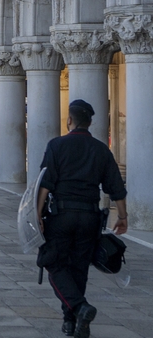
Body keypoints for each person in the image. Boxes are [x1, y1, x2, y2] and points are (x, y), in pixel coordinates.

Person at [37, 99, 127, 338]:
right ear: (90, 123)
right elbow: (116, 187)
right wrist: (123, 215)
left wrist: (36, 214)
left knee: (55, 264)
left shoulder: (56, 145)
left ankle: (79, 307)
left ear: (69, 120)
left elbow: (44, 184)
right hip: (89, 216)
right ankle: (72, 322)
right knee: (79, 268)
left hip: (62, 215)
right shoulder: (101, 150)